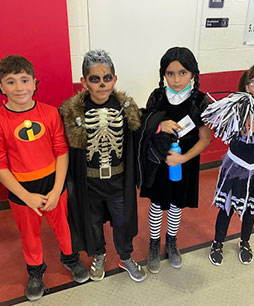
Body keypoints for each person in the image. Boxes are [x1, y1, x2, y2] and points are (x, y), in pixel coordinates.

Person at [0, 55, 89, 301]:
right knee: (29, 235)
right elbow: (1, 166)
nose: (19, 87)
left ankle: (71, 259)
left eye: (24, 80)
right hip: (22, 192)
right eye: (11, 81)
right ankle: (36, 272)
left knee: (64, 228)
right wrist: (26, 196)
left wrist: (58, 187)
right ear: (1, 87)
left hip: (53, 185)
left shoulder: (50, 114)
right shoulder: (0, 121)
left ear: (34, 83)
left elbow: (61, 152)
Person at [59, 50, 146, 282]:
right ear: (84, 82)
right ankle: (99, 254)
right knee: (93, 222)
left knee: (123, 221)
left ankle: (125, 256)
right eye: (94, 79)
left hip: (118, 180)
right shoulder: (71, 112)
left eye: (107, 78)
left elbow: (141, 139)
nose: (101, 84)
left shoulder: (127, 109)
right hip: (89, 182)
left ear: (115, 79)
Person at [137, 47, 211, 273]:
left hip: (184, 162)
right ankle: (153, 244)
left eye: (183, 73)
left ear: (193, 73)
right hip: (159, 162)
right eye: (170, 73)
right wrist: (160, 126)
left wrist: (183, 158)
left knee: (177, 203)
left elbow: (205, 138)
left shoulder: (200, 100)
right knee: (157, 204)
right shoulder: (157, 96)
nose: (176, 79)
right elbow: (145, 127)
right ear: (163, 74)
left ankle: (171, 241)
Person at [203, 62, 254, 266]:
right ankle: (217, 242)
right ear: (247, 85)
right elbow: (218, 120)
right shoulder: (237, 103)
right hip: (236, 165)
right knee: (227, 206)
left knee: (251, 208)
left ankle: (245, 241)